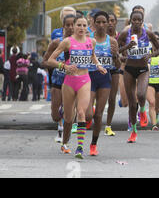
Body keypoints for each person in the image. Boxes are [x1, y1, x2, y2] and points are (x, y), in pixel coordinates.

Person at [47, 15, 107, 159]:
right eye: (78, 25)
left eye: (84, 25)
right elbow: (50, 60)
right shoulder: (67, 42)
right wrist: (64, 66)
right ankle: (65, 141)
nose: (81, 28)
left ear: (87, 27)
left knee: (81, 112)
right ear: (73, 26)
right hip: (69, 82)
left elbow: (93, 56)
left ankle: (80, 147)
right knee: (68, 118)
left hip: (85, 80)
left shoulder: (91, 42)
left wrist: (98, 65)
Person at [117, 10, 159, 143]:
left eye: (139, 20)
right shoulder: (125, 33)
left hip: (143, 69)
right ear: (130, 20)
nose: (136, 22)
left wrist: (151, 55)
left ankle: (142, 110)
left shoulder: (148, 34)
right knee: (131, 103)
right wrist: (126, 49)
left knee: (142, 95)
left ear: (142, 22)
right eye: (134, 20)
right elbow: (115, 50)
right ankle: (134, 131)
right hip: (129, 69)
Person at [86, 11, 120, 156]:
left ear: (108, 24)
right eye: (97, 22)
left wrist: (115, 56)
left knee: (99, 114)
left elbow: (117, 66)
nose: (100, 25)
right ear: (93, 23)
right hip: (89, 77)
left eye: (103, 22)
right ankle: (85, 111)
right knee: (88, 114)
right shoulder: (88, 39)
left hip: (105, 79)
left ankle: (93, 144)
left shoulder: (112, 41)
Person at [42, 14, 76, 143]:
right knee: (55, 115)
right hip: (57, 80)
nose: (71, 27)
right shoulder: (56, 43)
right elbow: (44, 62)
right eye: (68, 25)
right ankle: (59, 121)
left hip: (73, 81)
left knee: (69, 112)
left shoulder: (80, 43)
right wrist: (58, 65)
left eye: (73, 24)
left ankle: (62, 132)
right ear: (63, 26)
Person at [104, 12, 122, 136]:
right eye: (108, 21)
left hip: (114, 68)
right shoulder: (98, 37)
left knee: (112, 98)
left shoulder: (120, 37)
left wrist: (116, 55)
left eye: (112, 21)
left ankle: (108, 126)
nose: (110, 23)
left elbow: (119, 62)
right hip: (99, 69)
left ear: (116, 22)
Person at [147, 31, 159, 131]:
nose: (155, 41)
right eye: (153, 39)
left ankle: (156, 116)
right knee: (152, 102)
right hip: (149, 82)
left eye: (158, 39)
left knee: (158, 107)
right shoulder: (148, 54)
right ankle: (154, 125)